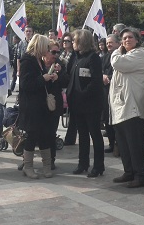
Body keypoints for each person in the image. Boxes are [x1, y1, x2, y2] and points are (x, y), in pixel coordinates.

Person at [109, 28, 144, 188]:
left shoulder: (139, 54)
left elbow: (116, 63)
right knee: (123, 143)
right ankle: (129, 172)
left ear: (137, 40)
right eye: (124, 38)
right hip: (121, 107)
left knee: (135, 144)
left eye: (130, 37)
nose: (126, 40)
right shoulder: (126, 55)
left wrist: (116, 50)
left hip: (133, 107)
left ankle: (141, 175)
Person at [18, 34, 58, 179]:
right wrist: (43, 78)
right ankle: (28, 166)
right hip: (31, 106)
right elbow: (25, 84)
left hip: (41, 105)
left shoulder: (37, 60)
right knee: (32, 135)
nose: (48, 50)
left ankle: (47, 166)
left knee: (45, 134)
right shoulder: (27, 60)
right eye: (46, 47)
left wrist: (50, 77)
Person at [67, 29, 104, 178]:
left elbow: (95, 82)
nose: (72, 43)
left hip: (91, 104)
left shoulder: (93, 58)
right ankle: (83, 163)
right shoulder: (75, 57)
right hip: (77, 104)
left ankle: (98, 166)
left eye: (74, 40)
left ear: (82, 41)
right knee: (82, 135)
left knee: (95, 134)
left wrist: (82, 94)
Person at [43, 39, 67, 170]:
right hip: (40, 104)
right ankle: (27, 161)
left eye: (58, 52)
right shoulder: (38, 63)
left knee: (51, 133)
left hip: (53, 105)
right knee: (35, 132)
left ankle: (50, 160)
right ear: (46, 51)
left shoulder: (60, 64)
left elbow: (67, 81)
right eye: (53, 52)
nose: (56, 55)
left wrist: (59, 76)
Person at [102, 34, 119, 154]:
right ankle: (111, 143)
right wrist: (102, 76)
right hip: (104, 92)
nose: (109, 44)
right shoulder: (103, 57)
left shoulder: (120, 57)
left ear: (118, 43)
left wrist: (110, 77)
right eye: (107, 42)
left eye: (111, 42)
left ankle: (119, 144)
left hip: (116, 92)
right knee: (107, 119)